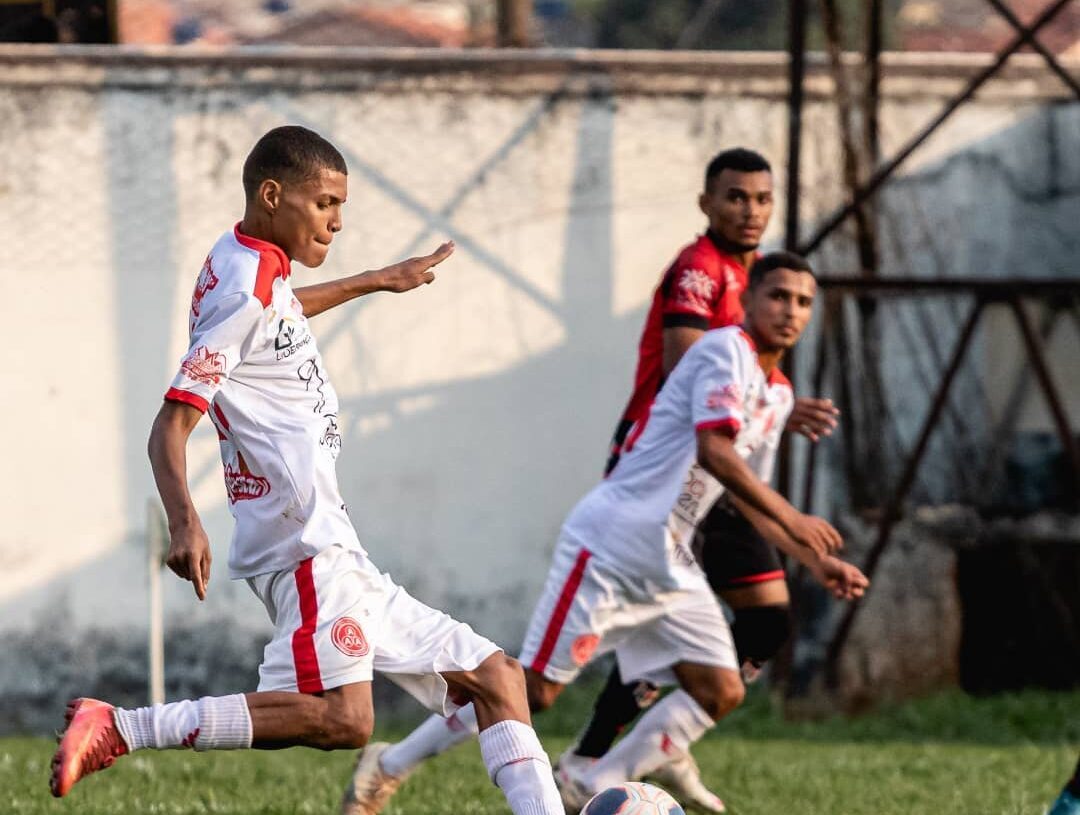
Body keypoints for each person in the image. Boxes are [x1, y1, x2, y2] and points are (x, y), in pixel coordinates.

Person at [48, 125, 565, 815]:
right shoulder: (244, 284)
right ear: (272, 194)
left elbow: (278, 313)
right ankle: (121, 726)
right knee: (345, 720)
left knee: (497, 677)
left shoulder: (251, 260)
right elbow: (169, 425)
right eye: (325, 202)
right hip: (302, 544)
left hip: (334, 544)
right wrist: (184, 521)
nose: (337, 220)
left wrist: (379, 279)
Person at [343, 252, 865, 815]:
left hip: (670, 561)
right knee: (534, 691)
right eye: (779, 296)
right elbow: (715, 452)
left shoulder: (779, 393)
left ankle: (596, 783)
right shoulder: (723, 352)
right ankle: (388, 766)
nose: (791, 310)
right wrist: (799, 522)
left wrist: (812, 558)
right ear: (749, 300)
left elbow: (741, 495)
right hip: (610, 547)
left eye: (804, 301)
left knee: (720, 688)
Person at [570, 147, 843, 811]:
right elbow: (691, 367)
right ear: (707, 204)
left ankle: (634, 751)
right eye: (735, 197)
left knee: (764, 621)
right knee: (597, 653)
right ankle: (600, 757)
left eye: (761, 199)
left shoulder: (755, 274)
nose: (749, 211)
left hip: (718, 472)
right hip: (670, 473)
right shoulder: (699, 269)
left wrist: (777, 397)